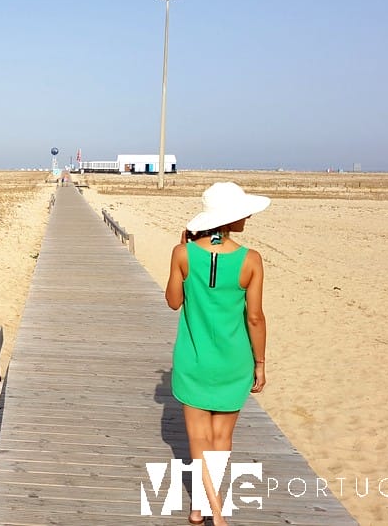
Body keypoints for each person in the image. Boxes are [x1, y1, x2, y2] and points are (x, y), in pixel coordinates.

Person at [165, 182, 270, 525]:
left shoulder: (182, 254)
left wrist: (183, 250)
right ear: (229, 218)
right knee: (222, 438)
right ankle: (216, 510)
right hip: (234, 361)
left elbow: (173, 301)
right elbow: (254, 317)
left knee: (198, 438)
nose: (248, 216)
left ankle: (202, 508)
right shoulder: (250, 260)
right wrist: (260, 363)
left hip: (194, 359)